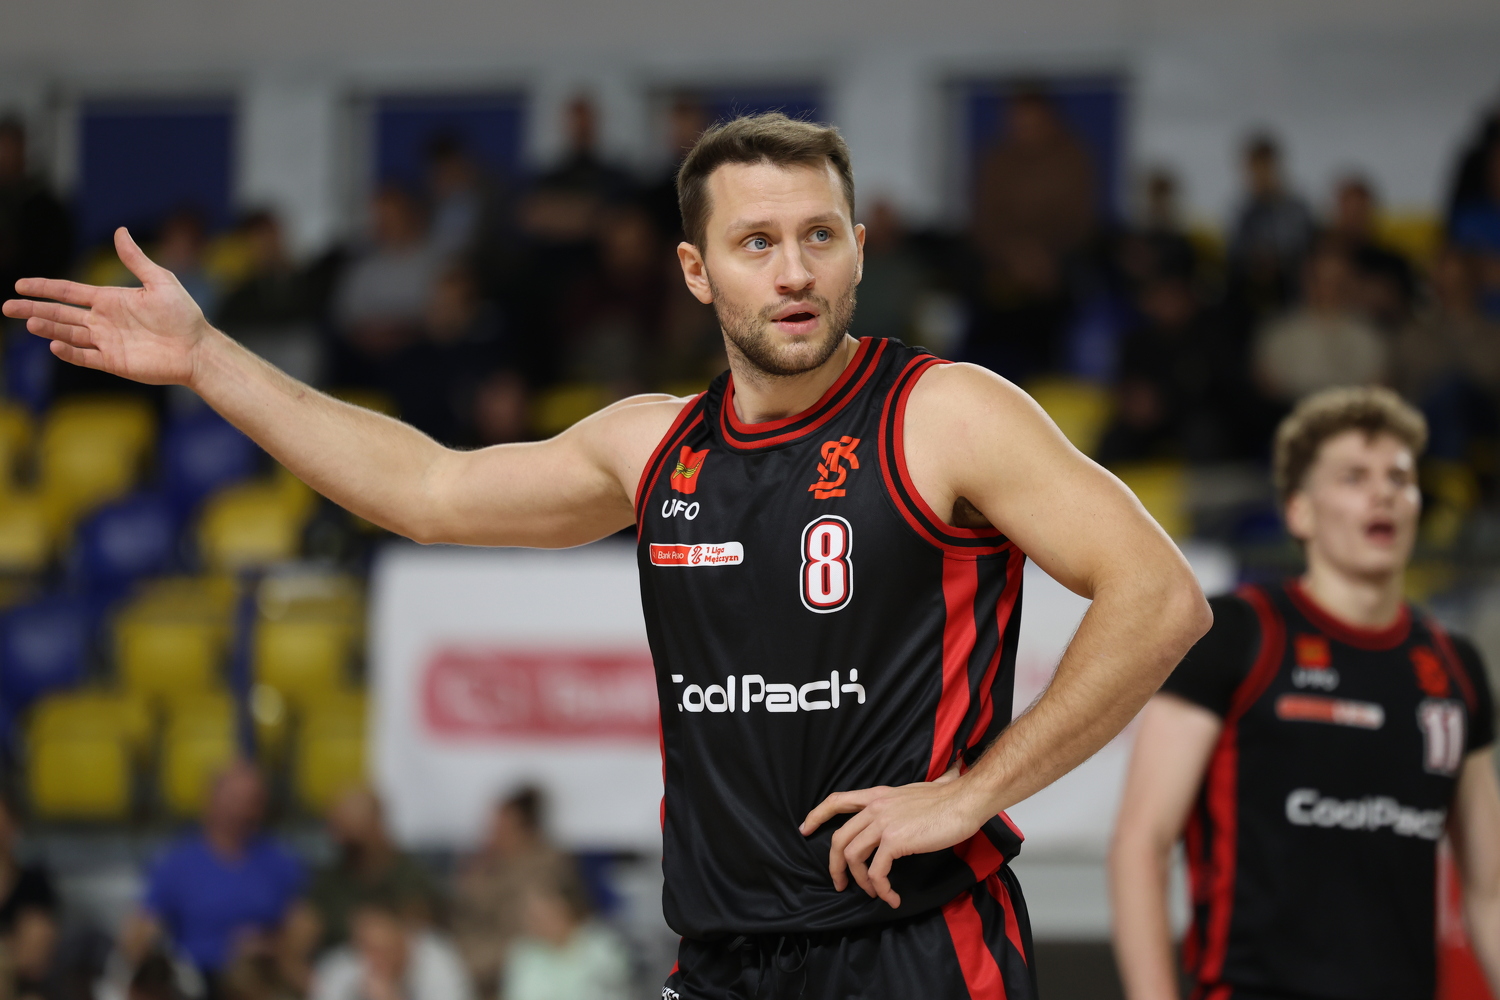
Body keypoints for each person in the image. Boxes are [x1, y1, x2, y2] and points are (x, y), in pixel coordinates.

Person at [5, 111, 1210, 1000]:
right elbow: (426, 489)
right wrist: (208, 359)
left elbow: (1159, 598)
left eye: (818, 236)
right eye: (755, 242)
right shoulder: (653, 446)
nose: (793, 271)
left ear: (856, 249)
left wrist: (975, 790)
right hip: (719, 956)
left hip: (916, 951)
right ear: (696, 270)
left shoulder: (943, 412)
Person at [1110, 386, 1500, 1000]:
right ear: (1300, 513)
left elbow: (1489, 892)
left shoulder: (1456, 666)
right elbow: (1141, 845)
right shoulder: (1235, 633)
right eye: (1353, 477)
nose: (1383, 493)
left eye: (1399, 478)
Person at [120, 761, 305, 991]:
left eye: (252, 801)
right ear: (211, 801)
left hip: (260, 976)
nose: (242, 810)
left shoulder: (279, 862)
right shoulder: (177, 862)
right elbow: (144, 922)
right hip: (194, 978)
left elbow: (301, 923)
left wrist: (275, 948)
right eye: (234, 799)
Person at [451, 787, 574, 997]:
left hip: (517, 965)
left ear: (524, 829)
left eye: (501, 826)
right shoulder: (486, 865)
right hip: (475, 958)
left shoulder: (544, 867)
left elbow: (525, 931)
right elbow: (462, 914)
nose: (492, 833)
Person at [303, 787, 439, 953]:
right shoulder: (331, 881)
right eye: (335, 826)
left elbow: (418, 937)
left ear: (375, 825)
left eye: (349, 826)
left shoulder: (409, 877)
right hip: (340, 960)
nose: (338, 837)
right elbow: (309, 924)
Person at [1252, 245, 1389, 404]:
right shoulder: (1279, 331)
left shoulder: (1369, 334)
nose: (1327, 288)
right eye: (1320, 279)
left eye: (1336, 281)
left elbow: (1376, 386)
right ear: (1304, 280)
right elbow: (1267, 385)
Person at [502, 868, 630, 1000]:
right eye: (530, 916)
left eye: (540, 914)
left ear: (564, 907)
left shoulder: (602, 943)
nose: (534, 923)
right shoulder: (523, 953)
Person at [1227, 132, 1317, 319]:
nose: (1259, 176)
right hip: (1251, 291)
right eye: (1254, 169)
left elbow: (1304, 248)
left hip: (1291, 289)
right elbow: (1234, 255)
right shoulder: (1243, 210)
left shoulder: (1295, 209)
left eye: (1264, 168)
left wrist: (1274, 259)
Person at [309, 901, 470, 1000]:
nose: (376, 959)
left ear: (405, 941)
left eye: (385, 950)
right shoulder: (342, 966)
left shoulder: (438, 961)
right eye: (368, 949)